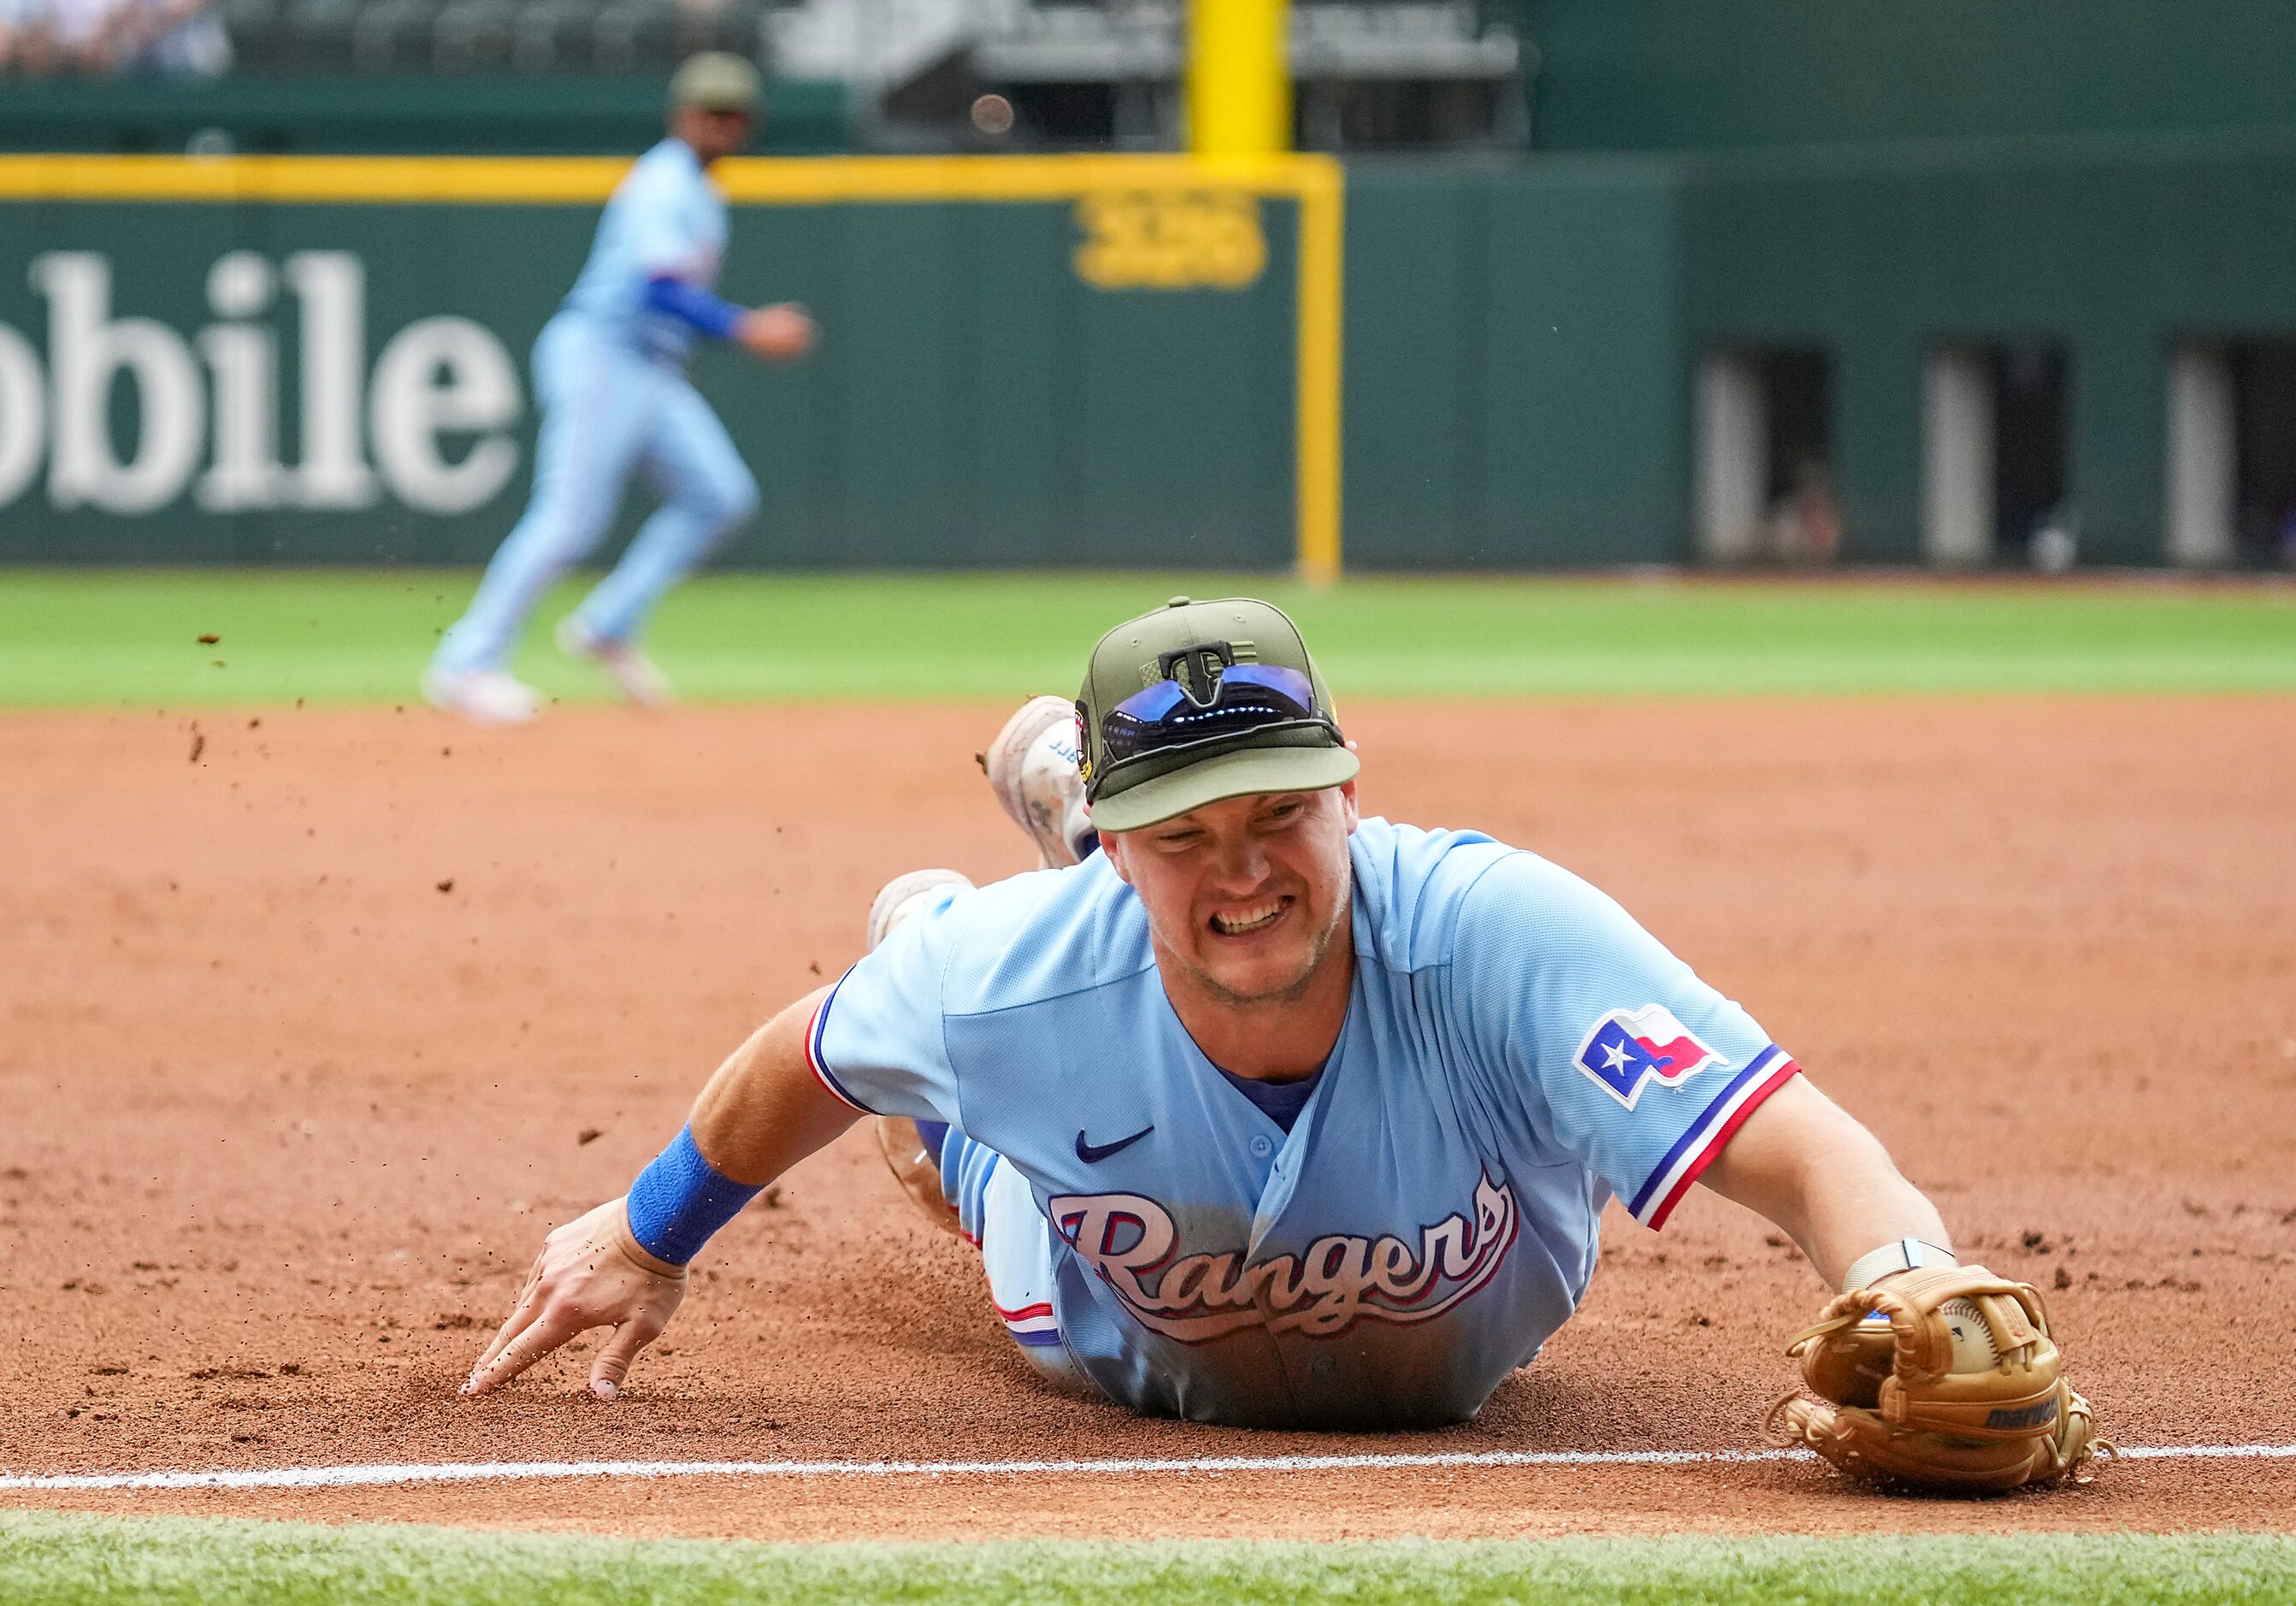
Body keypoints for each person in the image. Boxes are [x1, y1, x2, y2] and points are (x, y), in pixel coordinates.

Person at [461, 597, 2096, 1485]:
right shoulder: (998, 983)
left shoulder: (1492, 933)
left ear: (1352, 788)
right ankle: (985, 910)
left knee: (1106, 983)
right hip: (1099, 1316)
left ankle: (1068, 803)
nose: (1245, 860)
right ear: (1122, 845)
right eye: (1180, 829)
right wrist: (644, 1230)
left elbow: (1793, 1141)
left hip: (1424, 1249)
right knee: (952, 1124)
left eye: (1281, 813)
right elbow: (801, 1057)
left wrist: (1900, 1277)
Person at [424, 52, 814, 728]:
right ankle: (465, 664)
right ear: (682, 115)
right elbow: (657, 286)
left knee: (719, 497)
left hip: (649, 367)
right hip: (603, 354)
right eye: (710, 111)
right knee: (568, 519)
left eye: (735, 113)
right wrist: (743, 327)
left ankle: (608, 622)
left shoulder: (697, 186)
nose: (723, 125)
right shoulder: (664, 181)